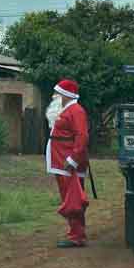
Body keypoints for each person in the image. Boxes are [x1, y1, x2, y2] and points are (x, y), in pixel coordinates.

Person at [45, 79, 90, 248]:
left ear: (66, 95)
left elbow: (82, 136)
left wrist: (72, 159)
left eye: (57, 93)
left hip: (68, 162)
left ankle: (76, 236)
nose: (54, 96)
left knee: (73, 199)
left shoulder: (76, 110)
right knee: (70, 197)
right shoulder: (67, 110)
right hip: (62, 160)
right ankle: (77, 233)